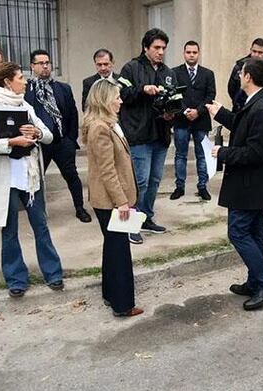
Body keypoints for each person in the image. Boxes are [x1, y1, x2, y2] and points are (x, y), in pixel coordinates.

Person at [0, 61, 64, 298]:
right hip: (5, 179)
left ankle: (53, 273)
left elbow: (49, 135)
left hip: (30, 177)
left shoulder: (25, 104)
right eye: (20, 78)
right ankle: (16, 279)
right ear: (7, 82)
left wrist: (36, 133)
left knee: (41, 225)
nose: (24, 81)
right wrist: (11, 143)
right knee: (9, 230)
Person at [206, 57, 263, 311]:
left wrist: (222, 153)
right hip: (254, 186)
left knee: (238, 232)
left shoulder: (262, 108)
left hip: (249, 186)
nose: (239, 76)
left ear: (248, 77)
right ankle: (255, 280)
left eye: (241, 73)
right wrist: (221, 114)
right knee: (255, 234)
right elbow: (243, 127)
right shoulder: (259, 101)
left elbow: (254, 152)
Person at [82, 79, 143, 317]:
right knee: (119, 252)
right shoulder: (100, 128)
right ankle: (122, 304)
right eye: (116, 97)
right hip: (110, 201)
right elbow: (107, 170)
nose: (120, 100)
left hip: (112, 198)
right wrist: (122, 202)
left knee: (112, 248)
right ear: (105, 99)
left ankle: (110, 294)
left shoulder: (108, 123)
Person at [119, 28, 177, 244]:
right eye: (157, 48)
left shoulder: (168, 73)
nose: (161, 52)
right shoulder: (130, 68)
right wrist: (143, 89)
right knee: (139, 182)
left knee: (154, 180)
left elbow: (174, 99)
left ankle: (146, 218)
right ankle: (129, 225)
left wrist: (172, 112)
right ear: (146, 47)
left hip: (160, 135)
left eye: (163, 48)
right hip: (138, 134)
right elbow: (122, 94)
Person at [25, 49, 91, 223]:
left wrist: (70, 139)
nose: (45, 66)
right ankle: (38, 212)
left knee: (72, 176)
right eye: (41, 63)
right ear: (32, 66)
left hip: (62, 142)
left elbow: (72, 114)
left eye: (47, 63)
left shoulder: (62, 88)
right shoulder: (26, 90)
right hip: (39, 144)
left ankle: (79, 208)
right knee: (37, 178)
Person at [170, 40, 216, 201]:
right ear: (184, 53)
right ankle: (179, 187)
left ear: (198, 53)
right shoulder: (174, 73)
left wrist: (198, 111)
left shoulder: (208, 74)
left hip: (201, 120)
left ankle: (202, 186)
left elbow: (210, 95)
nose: (191, 55)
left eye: (194, 52)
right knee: (180, 155)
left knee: (202, 155)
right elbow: (174, 94)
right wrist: (185, 110)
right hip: (181, 120)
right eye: (188, 52)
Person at [227, 38, 263, 112]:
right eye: (254, 51)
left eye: (260, 52)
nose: (256, 55)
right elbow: (231, 88)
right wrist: (238, 101)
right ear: (250, 50)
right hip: (240, 108)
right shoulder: (240, 65)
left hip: (262, 108)